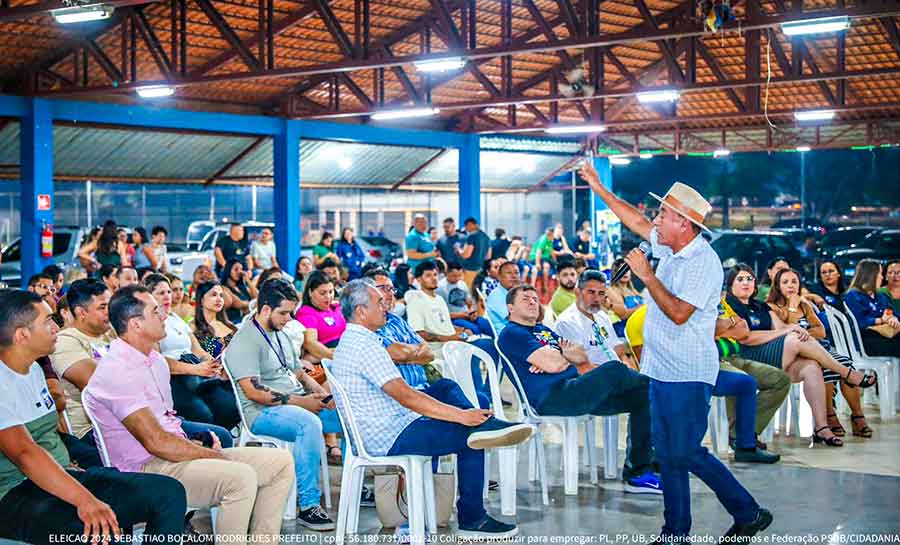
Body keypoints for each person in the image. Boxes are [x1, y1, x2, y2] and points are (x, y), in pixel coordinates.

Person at [582, 162, 772, 539]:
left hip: (687, 373)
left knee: (685, 452)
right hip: (661, 370)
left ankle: (749, 513)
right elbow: (634, 220)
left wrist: (647, 276)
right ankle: (675, 531)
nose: (655, 219)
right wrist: (599, 189)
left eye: (663, 213)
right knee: (667, 455)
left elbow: (680, 313)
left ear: (683, 223)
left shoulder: (703, 262)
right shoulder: (671, 248)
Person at [85, 285, 294, 544]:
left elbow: (167, 426)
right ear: (137, 324)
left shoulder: (155, 361)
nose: (165, 315)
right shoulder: (117, 371)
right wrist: (212, 455)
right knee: (240, 478)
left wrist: (196, 443)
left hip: (171, 456)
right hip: (145, 469)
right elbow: (156, 442)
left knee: (280, 463)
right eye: (156, 311)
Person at [330, 279, 534, 539]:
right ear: (361, 311)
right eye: (378, 302)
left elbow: (407, 394)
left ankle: (484, 425)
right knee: (471, 435)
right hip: (390, 436)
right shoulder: (366, 346)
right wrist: (462, 416)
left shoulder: (356, 339)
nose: (386, 305)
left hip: (392, 422)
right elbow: (406, 396)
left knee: (445, 387)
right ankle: (473, 519)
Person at [0, 290, 188, 545]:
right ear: (22, 335)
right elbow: (25, 453)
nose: (56, 327)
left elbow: (49, 436)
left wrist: (70, 467)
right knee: (102, 534)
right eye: (47, 321)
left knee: (168, 493)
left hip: (59, 476)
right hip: (14, 494)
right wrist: (84, 499)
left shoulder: (33, 370)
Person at [498, 282, 660, 492]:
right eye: (525, 299)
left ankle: (639, 471)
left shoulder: (542, 330)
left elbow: (580, 355)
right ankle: (666, 391)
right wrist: (559, 356)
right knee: (614, 369)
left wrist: (555, 357)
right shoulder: (512, 333)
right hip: (552, 398)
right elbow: (555, 363)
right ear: (510, 307)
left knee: (645, 395)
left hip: (574, 389)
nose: (532, 302)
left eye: (535, 299)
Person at [224, 278, 339, 529]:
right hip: (262, 412)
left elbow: (299, 373)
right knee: (307, 424)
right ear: (265, 309)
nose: (289, 319)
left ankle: (358, 485)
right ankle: (308, 505)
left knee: (347, 415)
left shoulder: (281, 334)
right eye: (284, 313)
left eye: (291, 312)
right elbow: (253, 392)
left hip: (296, 402)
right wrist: (302, 403)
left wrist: (322, 396)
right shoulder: (245, 340)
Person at [725, 264, 876, 447]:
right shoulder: (728, 305)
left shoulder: (761, 306)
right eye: (740, 279)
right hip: (747, 356)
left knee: (812, 367)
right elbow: (747, 338)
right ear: (731, 284)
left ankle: (822, 428)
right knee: (794, 338)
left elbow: (783, 328)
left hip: (774, 356)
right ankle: (847, 373)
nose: (746, 283)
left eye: (750, 278)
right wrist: (787, 331)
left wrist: (790, 329)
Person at [767, 268, 871, 439]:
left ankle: (857, 415)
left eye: (794, 281)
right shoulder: (772, 308)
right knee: (829, 368)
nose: (791, 286)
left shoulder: (805, 305)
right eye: (785, 282)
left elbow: (821, 331)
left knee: (845, 362)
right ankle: (830, 415)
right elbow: (787, 334)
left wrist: (805, 334)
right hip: (796, 356)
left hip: (819, 349)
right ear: (777, 286)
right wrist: (792, 309)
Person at [147, 274, 239, 432]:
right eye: (161, 293)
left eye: (169, 292)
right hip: (174, 379)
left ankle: (220, 443)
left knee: (231, 405)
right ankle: (211, 444)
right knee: (204, 415)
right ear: (150, 297)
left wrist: (214, 365)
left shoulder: (175, 319)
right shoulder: (150, 322)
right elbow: (157, 361)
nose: (168, 296)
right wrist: (195, 369)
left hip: (195, 371)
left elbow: (198, 351)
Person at [407, 261, 498, 366]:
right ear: (418, 279)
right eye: (428, 275)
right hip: (440, 348)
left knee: (493, 345)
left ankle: (485, 382)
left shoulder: (439, 299)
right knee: (484, 350)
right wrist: (451, 338)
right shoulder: (416, 300)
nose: (433, 278)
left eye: (435, 275)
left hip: (453, 342)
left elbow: (446, 324)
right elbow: (419, 333)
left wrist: (463, 330)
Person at [365, 269, 435, 390]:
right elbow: (399, 354)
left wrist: (407, 355)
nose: (391, 294)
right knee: (449, 391)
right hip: (402, 398)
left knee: (449, 388)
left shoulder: (396, 320)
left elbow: (429, 354)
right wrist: (416, 352)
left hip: (424, 388)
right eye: (384, 288)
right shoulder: (368, 325)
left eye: (392, 289)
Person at [844, 258, 900, 358]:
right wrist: (880, 320)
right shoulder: (853, 295)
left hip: (885, 335)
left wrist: (893, 318)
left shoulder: (880, 296)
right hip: (865, 340)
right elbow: (859, 322)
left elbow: (892, 312)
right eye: (880, 274)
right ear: (871, 276)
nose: (882, 278)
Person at [296, 270, 346, 364]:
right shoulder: (306, 313)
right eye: (322, 293)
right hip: (332, 360)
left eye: (331, 292)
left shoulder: (336, 307)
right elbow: (310, 343)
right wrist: (339, 356)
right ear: (310, 292)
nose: (328, 297)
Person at [438, 263, 492, 337]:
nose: (457, 278)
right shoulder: (440, 288)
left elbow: (469, 302)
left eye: (459, 275)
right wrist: (462, 315)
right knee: (476, 330)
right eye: (454, 276)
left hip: (467, 315)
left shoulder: (462, 283)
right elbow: (441, 314)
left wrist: (472, 311)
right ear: (447, 273)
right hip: (454, 318)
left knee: (487, 325)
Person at [192, 281, 238, 358]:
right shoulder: (193, 327)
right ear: (201, 300)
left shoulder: (230, 326)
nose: (219, 299)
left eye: (221, 295)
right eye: (214, 295)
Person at [486, 261, 520, 333]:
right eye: (509, 273)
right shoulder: (495, 295)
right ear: (499, 277)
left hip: (520, 330)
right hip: (508, 334)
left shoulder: (516, 292)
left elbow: (539, 315)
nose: (514, 276)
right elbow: (515, 319)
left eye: (516, 273)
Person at [457, 217, 491, 289]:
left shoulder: (472, 236)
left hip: (469, 269)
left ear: (470, 224)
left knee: (469, 292)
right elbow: (488, 256)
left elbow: (467, 255)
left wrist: (459, 250)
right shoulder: (486, 237)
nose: (466, 229)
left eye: (466, 226)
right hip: (480, 270)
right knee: (477, 292)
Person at [221, 259, 257, 323]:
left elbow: (257, 297)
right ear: (228, 270)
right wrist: (253, 304)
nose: (240, 272)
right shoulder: (224, 288)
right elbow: (240, 304)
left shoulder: (242, 287)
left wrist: (248, 280)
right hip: (235, 321)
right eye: (236, 269)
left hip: (247, 319)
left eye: (241, 269)